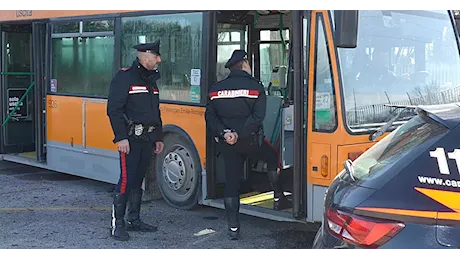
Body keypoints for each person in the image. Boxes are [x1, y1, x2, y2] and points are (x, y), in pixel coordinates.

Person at [205, 50, 289, 240]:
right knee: (272, 156)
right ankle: (278, 198)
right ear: (244, 64)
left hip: (228, 143)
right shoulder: (255, 86)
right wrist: (239, 133)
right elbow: (258, 118)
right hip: (250, 141)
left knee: (231, 183)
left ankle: (233, 228)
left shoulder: (216, 89)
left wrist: (225, 133)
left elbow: (210, 117)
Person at [106, 40, 164, 241]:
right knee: (126, 181)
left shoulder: (150, 80)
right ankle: (117, 224)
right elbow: (114, 110)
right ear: (146, 56)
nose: (159, 60)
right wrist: (120, 137)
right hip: (129, 140)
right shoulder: (125, 77)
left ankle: (134, 219)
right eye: (156, 57)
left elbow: (155, 111)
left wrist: (158, 137)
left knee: (138, 180)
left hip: (147, 139)